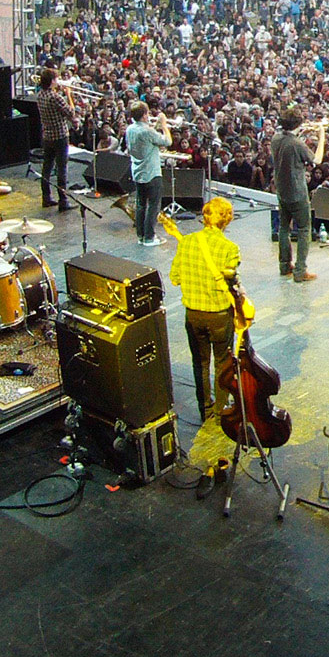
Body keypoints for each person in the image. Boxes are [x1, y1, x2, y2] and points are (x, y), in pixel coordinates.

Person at [169, 197, 241, 423]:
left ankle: (205, 410)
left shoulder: (187, 241)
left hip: (193, 314)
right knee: (223, 362)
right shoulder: (230, 249)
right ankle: (221, 411)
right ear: (226, 220)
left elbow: (174, 278)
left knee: (199, 363)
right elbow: (232, 282)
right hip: (219, 315)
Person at [270, 106, 325, 282]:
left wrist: (301, 132)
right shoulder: (297, 144)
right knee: (303, 229)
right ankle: (301, 270)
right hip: (297, 192)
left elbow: (290, 143)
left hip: (281, 189)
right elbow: (316, 160)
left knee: (283, 228)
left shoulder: (276, 138)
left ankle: (284, 265)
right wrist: (321, 134)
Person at [126, 100, 172, 246]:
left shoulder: (130, 129)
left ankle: (141, 236)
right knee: (153, 206)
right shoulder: (147, 131)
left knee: (141, 205)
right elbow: (167, 142)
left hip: (137, 172)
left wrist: (155, 126)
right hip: (151, 172)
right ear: (145, 114)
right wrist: (164, 125)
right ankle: (150, 237)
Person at [35, 68, 78, 211]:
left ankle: (46, 197)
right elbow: (70, 112)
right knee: (62, 168)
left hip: (47, 136)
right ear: (52, 81)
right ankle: (63, 200)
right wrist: (69, 94)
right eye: (56, 79)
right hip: (60, 136)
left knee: (47, 167)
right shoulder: (55, 97)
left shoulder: (40, 95)